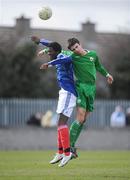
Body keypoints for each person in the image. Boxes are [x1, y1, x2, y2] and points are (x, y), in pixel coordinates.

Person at [31, 36, 77, 167]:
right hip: (63, 92)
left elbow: (67, 59)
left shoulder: (63, 57)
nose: (49, 53)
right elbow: (51, 44)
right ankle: (60, 152)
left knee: (62, 123)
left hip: (69, 92)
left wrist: (49, 64)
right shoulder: (56, 52)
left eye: (50, 52)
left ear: (57, 52)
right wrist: (39, 40)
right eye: (48, 51)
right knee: (59, 123)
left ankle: (68, 153)